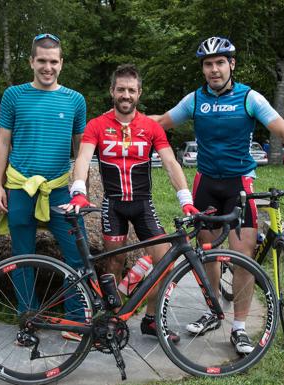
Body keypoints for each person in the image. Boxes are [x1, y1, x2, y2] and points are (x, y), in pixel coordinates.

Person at [151, 36, 284, 354]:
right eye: (208, 64)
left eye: (220, 63)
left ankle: (238, 328)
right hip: (206, 184)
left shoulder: (249, 98)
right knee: (207, 252)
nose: (214, 69)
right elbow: (161, 123)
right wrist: (123, 125)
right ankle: (214, 311)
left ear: (231, 64)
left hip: (240, 185)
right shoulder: (195, 100)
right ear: (203, 68)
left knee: (243, 258)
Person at [63, 64, 197, 344]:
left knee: (165, 261)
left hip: (143, 205)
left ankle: (150, 319)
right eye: (121, 89)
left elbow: (171, 163)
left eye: (131, 90)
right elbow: (84, 159)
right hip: (114, 206)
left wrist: (185, 199)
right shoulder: (97, 125)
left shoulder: (150, 126)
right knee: (114, 263)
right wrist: (78, 191)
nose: (126, 95)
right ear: (112, 91)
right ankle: (111, 322)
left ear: (139, 93)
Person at [0, 33, 88, 340]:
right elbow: (2, 141)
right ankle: (28, 320)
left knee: (77, 253)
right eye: (42, 61)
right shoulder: (13, 95)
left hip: (59, 188)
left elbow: (81, 148)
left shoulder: (75, 100)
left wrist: (81, 187)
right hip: (20, 187)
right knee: (22, 256)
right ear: (31, 61)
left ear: (62, 63)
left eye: (54, 61)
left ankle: (74, 320)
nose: (48, 67)